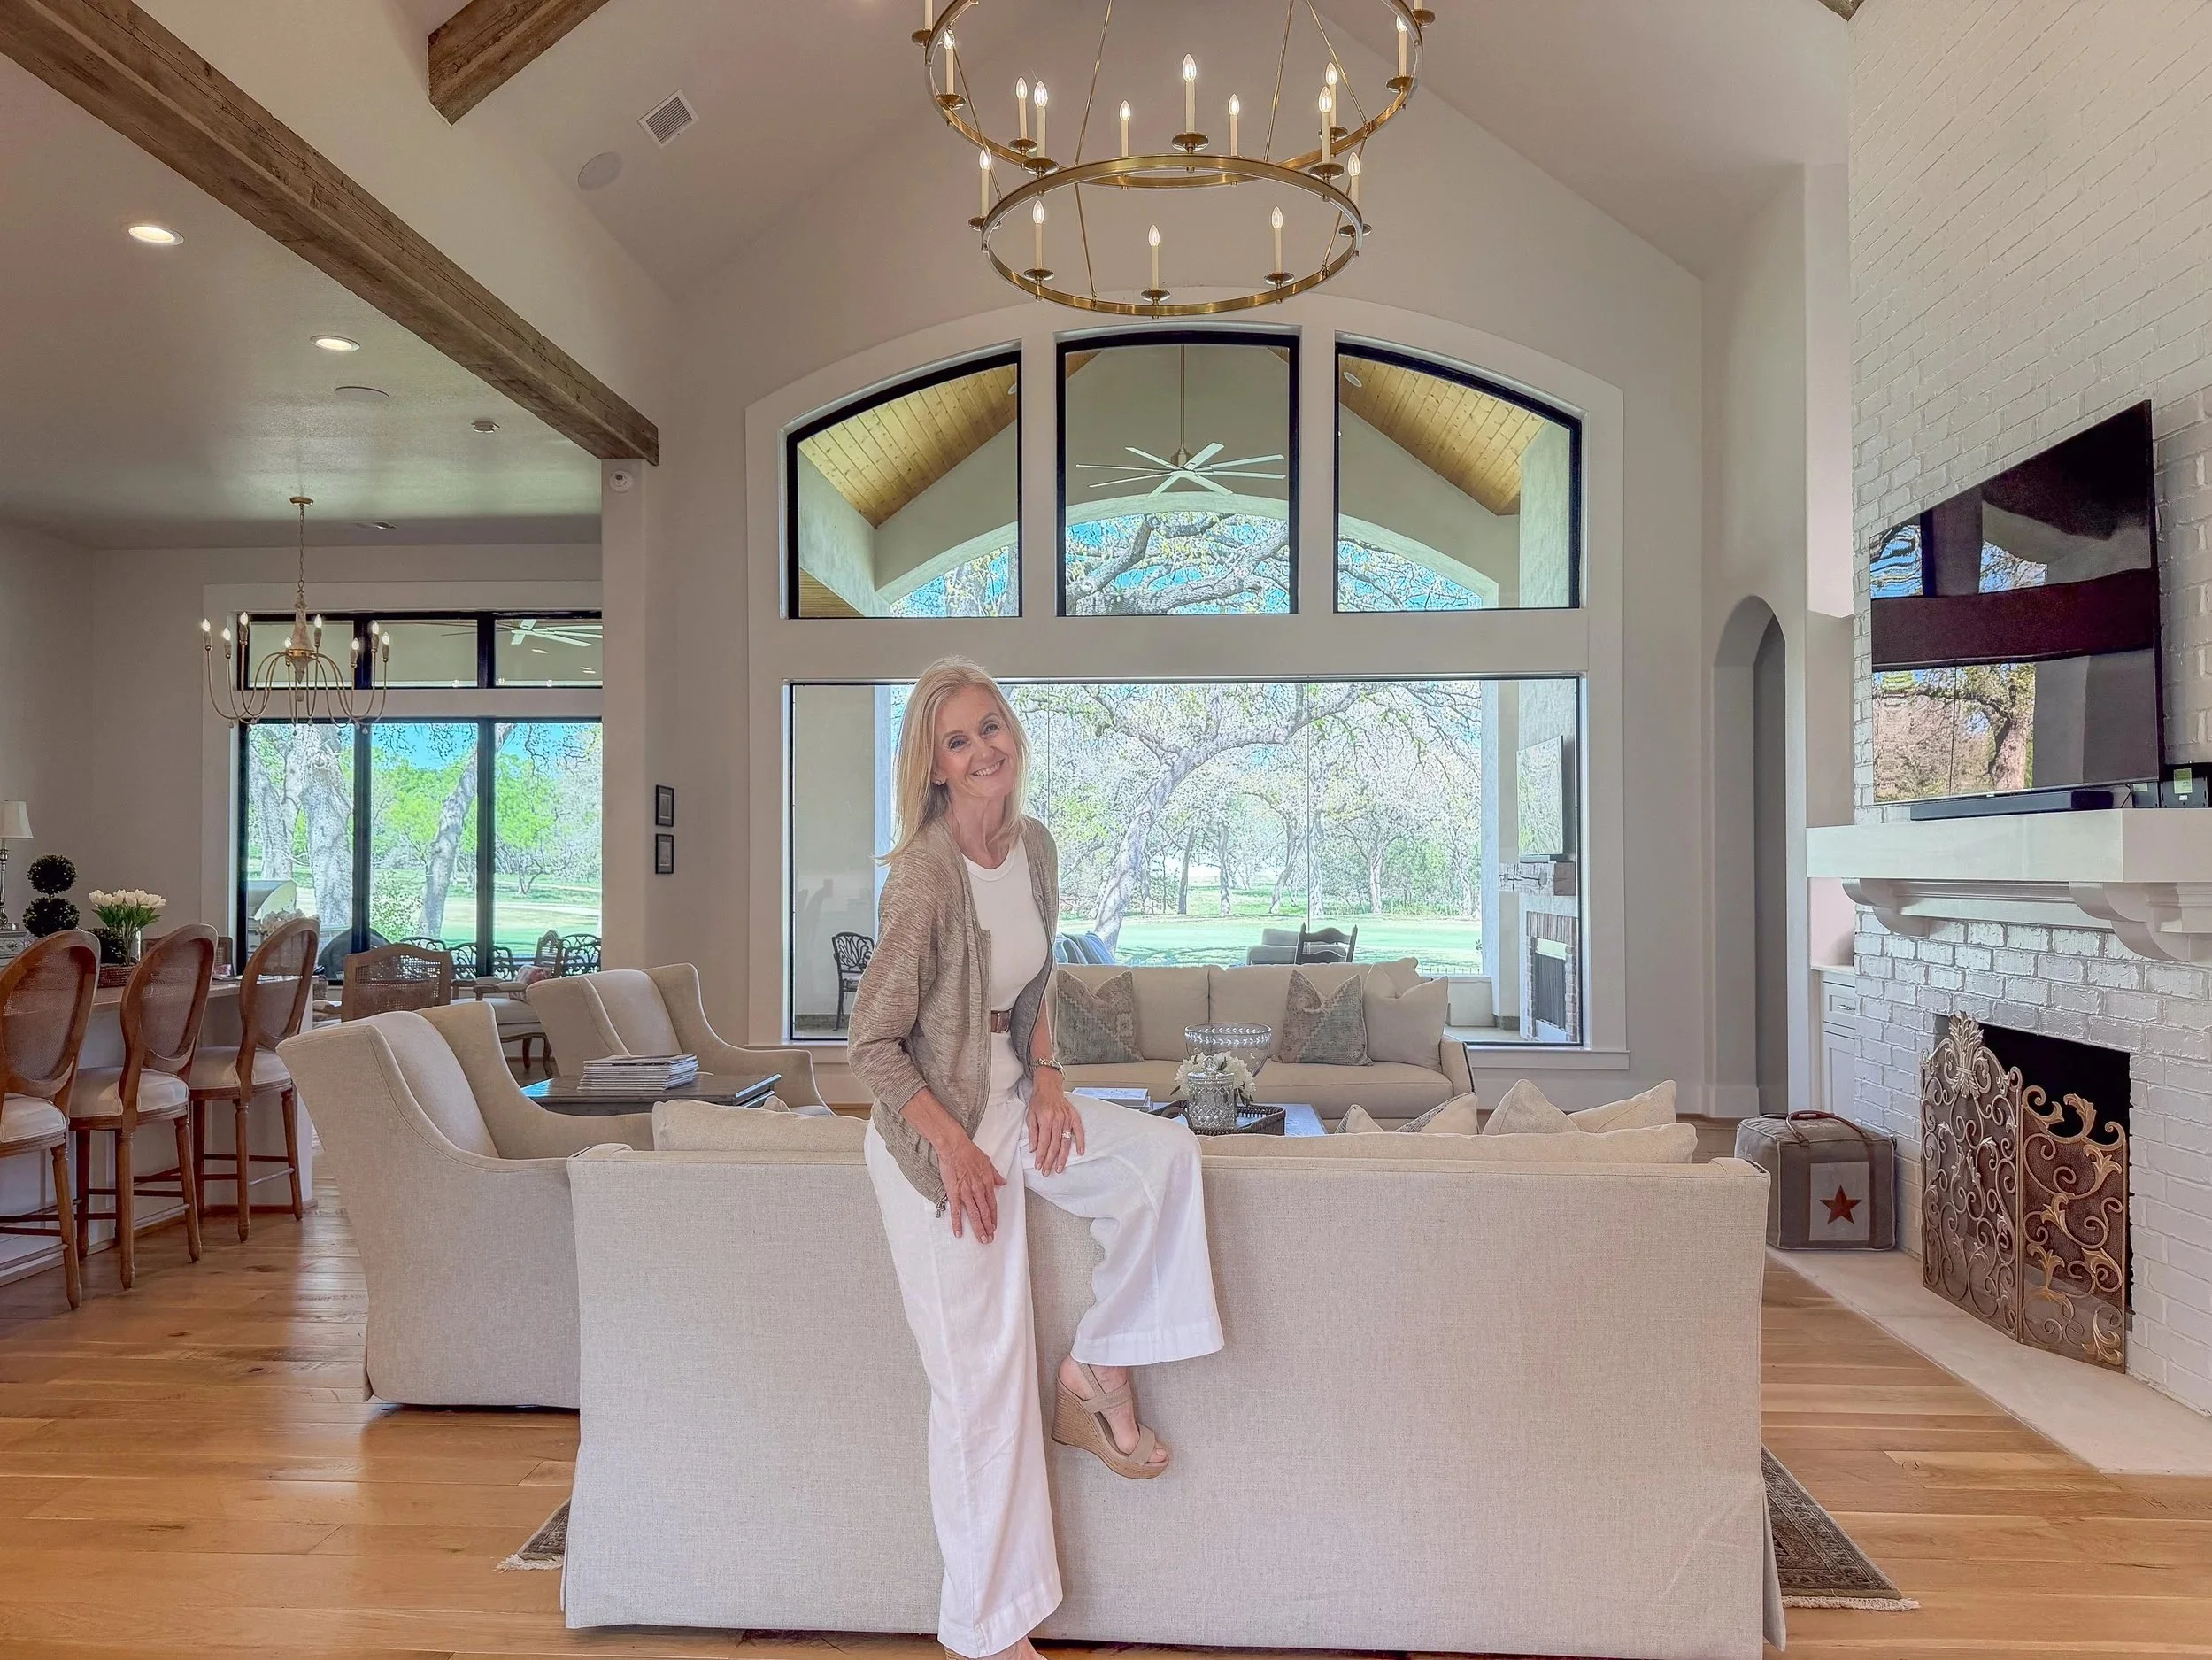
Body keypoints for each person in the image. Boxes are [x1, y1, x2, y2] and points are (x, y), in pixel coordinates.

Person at [847, 657, 1222, 1660]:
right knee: (980, 1381)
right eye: (958, 740)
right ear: (931, 765)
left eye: (992, 728)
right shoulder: (924, 879)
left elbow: (1038, 981)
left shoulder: (1035, 847)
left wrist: (1050, 1074)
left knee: (1163, 1161)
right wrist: (956, 1146)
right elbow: (870, 1043)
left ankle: (1096, 1369)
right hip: (937, 1144)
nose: (983, 752)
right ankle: (991, 1633)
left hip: (1018, 1099)